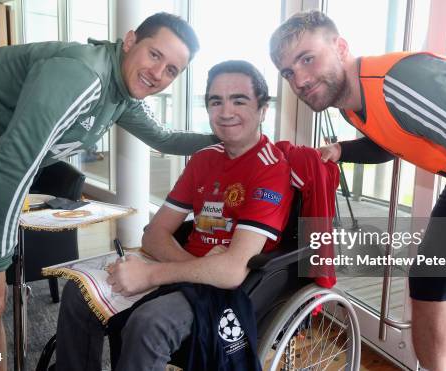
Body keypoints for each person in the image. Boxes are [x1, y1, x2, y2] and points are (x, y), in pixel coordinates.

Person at [270, 10, 446, 371]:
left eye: (307, 59)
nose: (301, 80)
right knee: (429, 278)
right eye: (288, 72)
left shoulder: (403, 82)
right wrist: (342, 151)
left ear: (340, 47)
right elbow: (393, 136)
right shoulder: (349, 103)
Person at [0, 12, 219, 367]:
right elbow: (12, 164)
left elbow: (164, 138)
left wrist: (227, 136)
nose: (158, 73)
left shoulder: (121, 95)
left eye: (172, 70)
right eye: (154, 55)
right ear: (130, 41)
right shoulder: (83, 75)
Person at [55, 60, 293, 370]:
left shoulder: (271, 169)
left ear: (263, 110)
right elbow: (153, 234)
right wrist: (201, 266)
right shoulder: (204, 159)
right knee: (78, 292)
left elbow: (232, 272)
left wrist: (150, 275)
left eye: (239, 100)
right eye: (215, 101)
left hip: (228, 292)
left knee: (148, 323)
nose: (225, 112)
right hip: (189, 265)